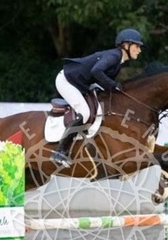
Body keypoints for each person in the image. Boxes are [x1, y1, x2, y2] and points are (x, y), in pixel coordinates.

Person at [50, 28, 144, 168]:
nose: (139, 50)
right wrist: (113, 85)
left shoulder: (118, 60)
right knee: (85, 113)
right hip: (67, 81)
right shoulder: (114, 56)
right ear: (126, 45)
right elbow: (96, 70)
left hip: (81, 83)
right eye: (137, 46)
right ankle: (60, 151)